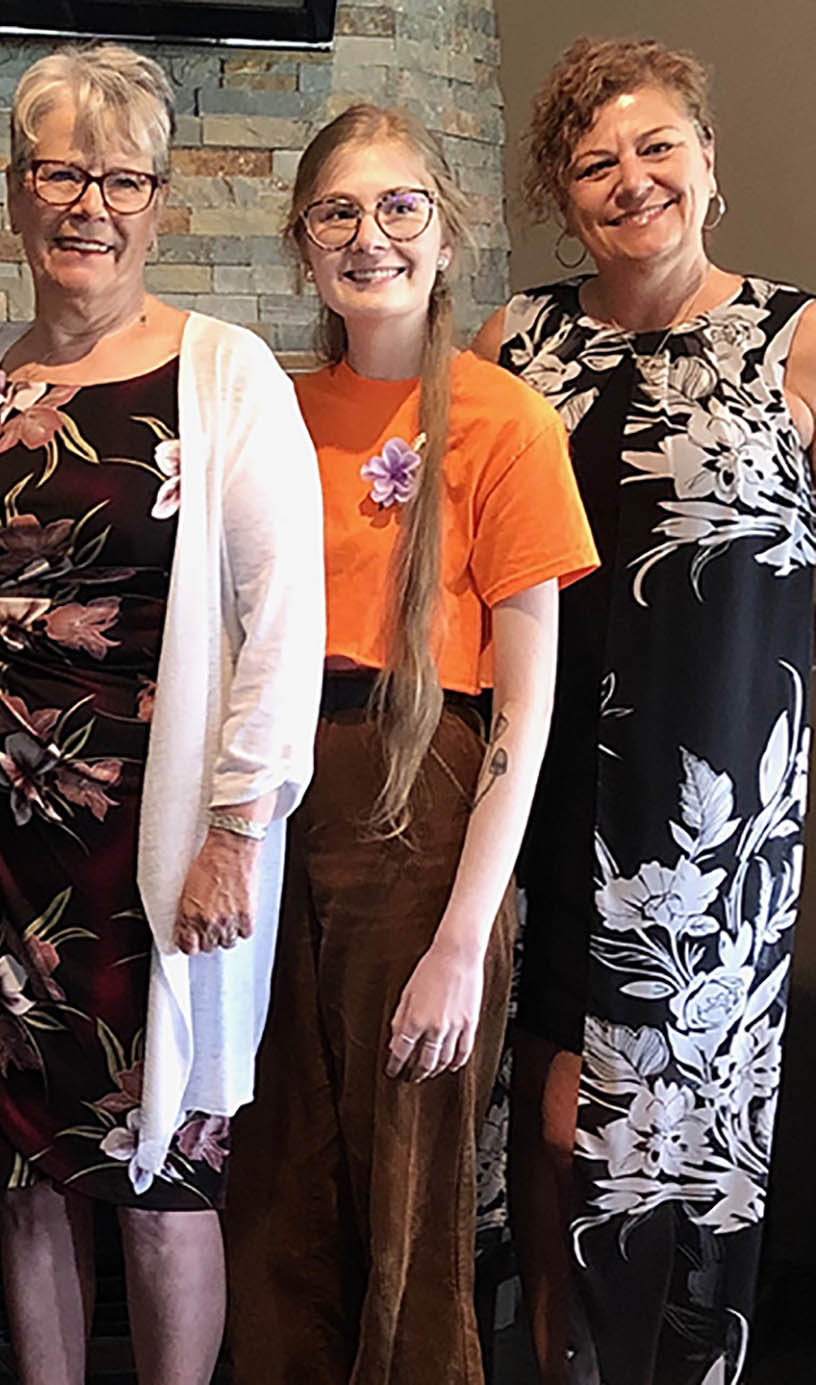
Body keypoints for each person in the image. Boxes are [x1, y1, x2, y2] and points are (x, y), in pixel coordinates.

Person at [0, 44, 324, 1385]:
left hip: (154, 842)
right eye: (59, 174)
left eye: (121, 180)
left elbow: (281, 620)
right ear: (14, 193)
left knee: (163, 1167)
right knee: (26, 1172)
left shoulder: (224, 373)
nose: (88, 205)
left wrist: (235, 831)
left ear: (158, 204)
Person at [222, 103, 596, 1385]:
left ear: (445, 235)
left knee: (409, 1188)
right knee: (274, 1172)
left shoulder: (504, 421)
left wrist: (457, 942)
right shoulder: (266, 411)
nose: (367, 235)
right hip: (276, 798)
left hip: (422, 801)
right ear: (300, 242)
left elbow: (525, 712)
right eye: (335, 211)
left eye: (398, 207)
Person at [474, 37, 816, 1385]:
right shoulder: (516, 342)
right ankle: (556, 1363)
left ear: (708, 163)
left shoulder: (797, 337)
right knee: (544, 1120)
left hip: (713, 816)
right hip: (540, 782)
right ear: (563, 198)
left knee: (682, 1126)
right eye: (594, 162)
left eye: (656, 146)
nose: (631, 179)